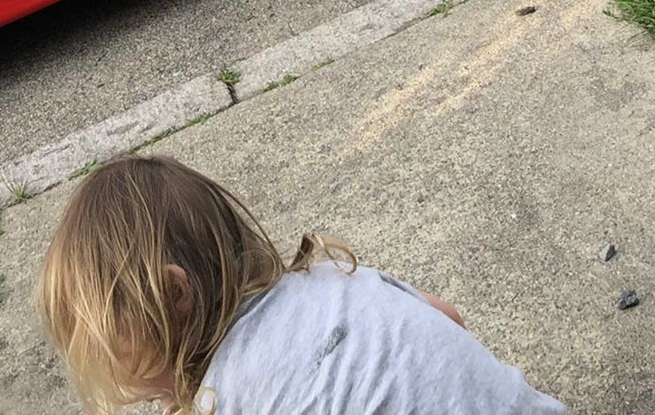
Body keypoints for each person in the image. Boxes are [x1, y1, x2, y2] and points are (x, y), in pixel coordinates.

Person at [39, 155, 565, 415]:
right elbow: (448, 317)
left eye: (113, 346)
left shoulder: (231, 401)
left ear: (174, 296)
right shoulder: (332, 279)